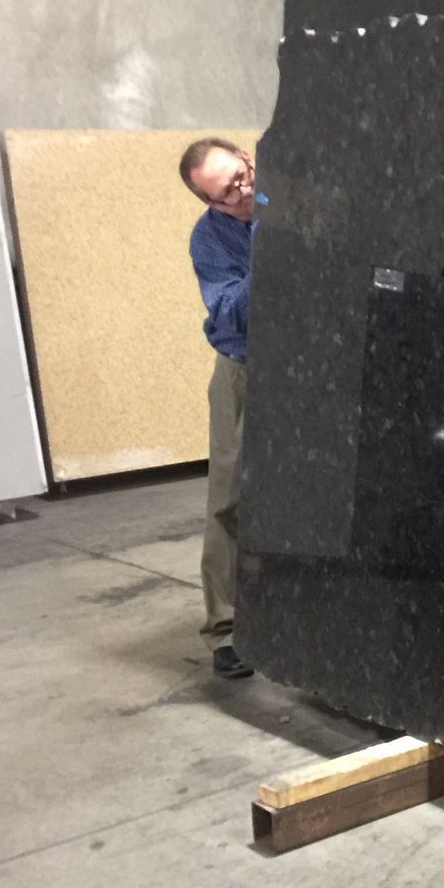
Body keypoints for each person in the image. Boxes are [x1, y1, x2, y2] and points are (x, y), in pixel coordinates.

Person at [179, 137, 259, 680]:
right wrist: (274, 254)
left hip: (323, 357)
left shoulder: (302, 192)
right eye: (229, 192)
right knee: (230, 497)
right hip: (246, 368)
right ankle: (227, 629)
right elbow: (230, 310)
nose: (245, 190)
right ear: (211, 202)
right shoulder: (210, 239)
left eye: (243, 174)